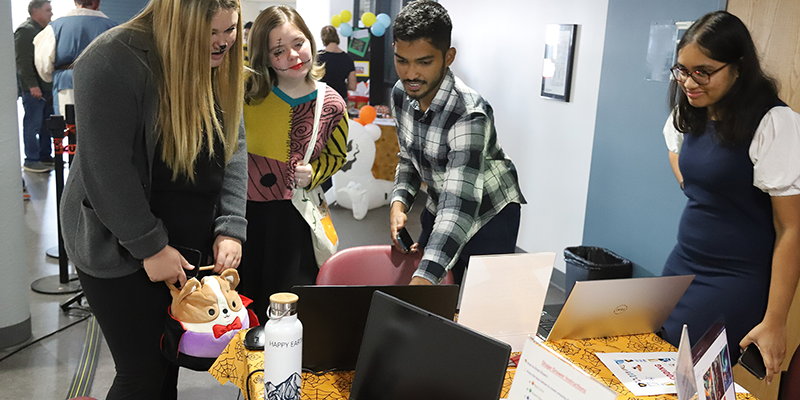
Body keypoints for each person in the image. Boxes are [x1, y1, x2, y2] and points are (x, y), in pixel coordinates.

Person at [60, 0, 246, 398]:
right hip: (118, 241)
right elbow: (106, 169)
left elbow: (233, 145)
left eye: (229, 31)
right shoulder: (111, 59)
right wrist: (150, 245)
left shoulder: (220, 63)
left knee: (166, 365)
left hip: (184, 239)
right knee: (142, 372)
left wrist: (231, 225)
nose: (222, 44)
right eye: (210, 34)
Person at [661, 10, 800, 385]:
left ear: (738, 67)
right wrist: (696, 187)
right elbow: (675, 149)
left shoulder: (774, 123)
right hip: (684, 263)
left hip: (735, 279)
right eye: (682, 70)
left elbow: (791, 229)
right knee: (658, 366)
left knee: (695, 383)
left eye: (702, 71)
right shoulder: (693, 109)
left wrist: (775, 321)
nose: (689, 82)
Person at [388, 1, 526, 286]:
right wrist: (399, 202)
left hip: (490, 213)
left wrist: (423, 281)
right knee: (433, 300)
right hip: (441, 201)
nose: (411, 74)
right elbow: (408, 157)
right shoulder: (401, 94)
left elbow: (459, 208)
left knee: (478, 308)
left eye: (424, 62)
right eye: (403, 60)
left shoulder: (469, 114)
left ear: (448, 56)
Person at [239, 5, 348, 318]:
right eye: (278, 50)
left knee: (289, 313)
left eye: (299, 43)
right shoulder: (246, 95)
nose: (293, 56)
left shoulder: (332, 105)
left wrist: (315, 172)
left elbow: (336, 155)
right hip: (245, 220)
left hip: (296, 221)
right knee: (244, 312)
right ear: (264, 56)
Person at [33, 0, 117, 116]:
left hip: (67, 87)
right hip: (105, 85)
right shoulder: (115, 29)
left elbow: (44, 67)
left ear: (75, 2)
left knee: (69, 128)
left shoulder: (54, 28)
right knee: (103, 129)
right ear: (97, 3)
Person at [15, 0, 54, 173]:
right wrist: (32, 86)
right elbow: (22, 62)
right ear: (35, 11)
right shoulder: (25, 31)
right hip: (34, 89)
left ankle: (45, 156)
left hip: (45, 86)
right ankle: (31, 160)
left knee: (47, 124)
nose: (51, 14)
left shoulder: (43, 31)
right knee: (33, 124)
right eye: (48, 10)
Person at [317, 25, 356, 103]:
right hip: (340, 97)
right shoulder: (348, 58)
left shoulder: (318, 57)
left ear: (323, 39)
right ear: (337, 37)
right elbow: (353, 86)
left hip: (323, 97)